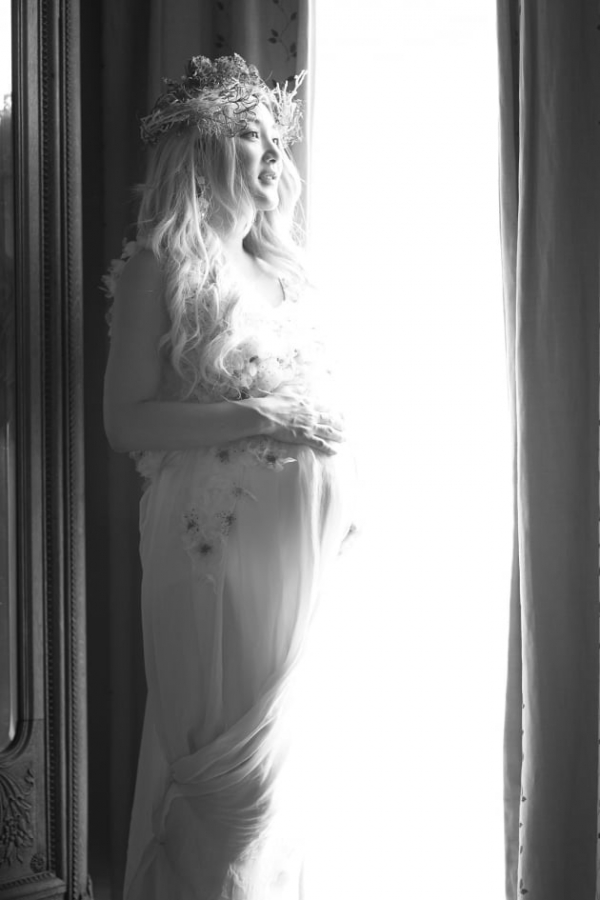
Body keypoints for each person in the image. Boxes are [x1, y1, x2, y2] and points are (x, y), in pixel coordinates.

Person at [103, 53, 356, 900]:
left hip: (301, 561)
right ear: (201, 147)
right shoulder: (158, 267)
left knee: (286, 793)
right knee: (230, 789)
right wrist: (263, 417)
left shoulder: (283, 270)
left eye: (278, 135)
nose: (274, 150)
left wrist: (344, 498)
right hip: (211, 552)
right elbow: (127, 421)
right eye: (251, 132)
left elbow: (318, 400)